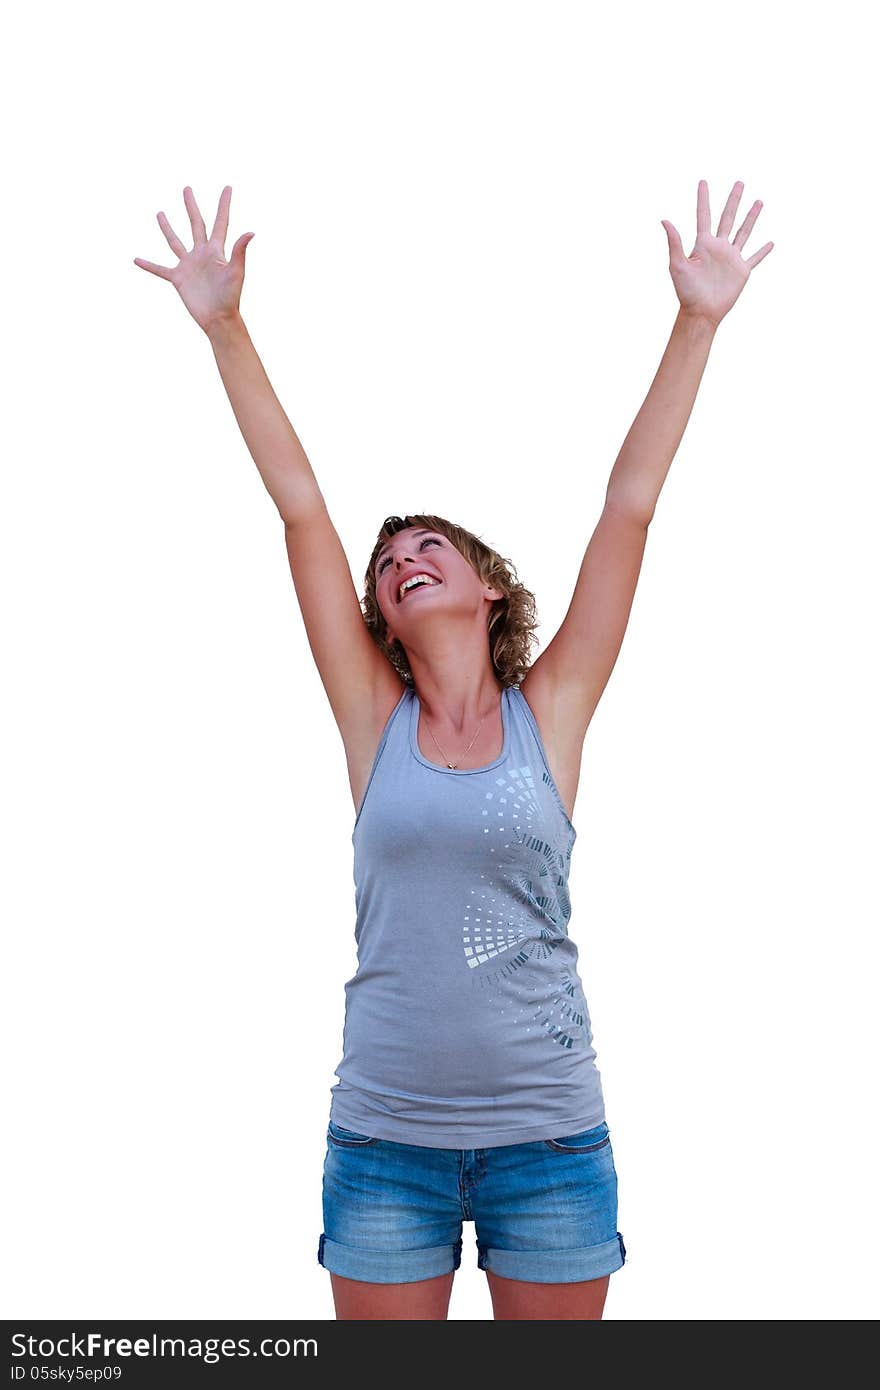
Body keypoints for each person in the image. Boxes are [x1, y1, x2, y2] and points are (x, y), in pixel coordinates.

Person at [134, 179, 773, 1320]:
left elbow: (628, 507)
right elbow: (300, 511)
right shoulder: (371, 722)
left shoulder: (552, 711)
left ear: (486, 589)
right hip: (386, 1144)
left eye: (430, 546)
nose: (400, 561)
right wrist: (226, 327)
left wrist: (696, 323)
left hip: (549, 1142)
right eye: (388, 565)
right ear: (381, 616)